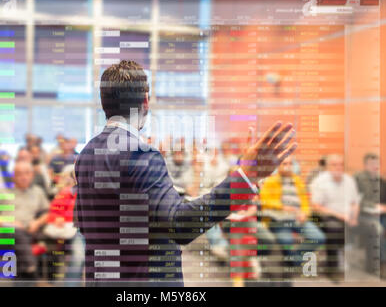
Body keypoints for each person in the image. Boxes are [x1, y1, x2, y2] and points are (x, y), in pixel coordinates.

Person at [74, 60, 297, 286]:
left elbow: (84, 223)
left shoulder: (86, 155)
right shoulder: (141, 155)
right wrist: (246, 177)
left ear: (104, 103)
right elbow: (180, 225)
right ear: (145, 100)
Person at [260, 156, 325, 271]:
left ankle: (295, 259)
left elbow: (305, 201)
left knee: (318, 237)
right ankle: (291, 259)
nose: (287, 166)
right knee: (286, 241)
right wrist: (283, 206)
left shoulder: (297, 180)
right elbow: (264, 199)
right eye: (284, 164)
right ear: (278, 166)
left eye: (290, 164)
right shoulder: (271, 181)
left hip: (297, 218)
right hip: (278, 220)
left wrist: (304, 213)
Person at [0, 161, 49, 278]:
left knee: (21, 242)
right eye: (19, 174)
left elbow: (48, 213)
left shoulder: (38, 192)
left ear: (32, 175)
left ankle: (27, 269)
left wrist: (37, 222)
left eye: (27, 173)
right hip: (3, 234)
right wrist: (8, 224)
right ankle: (30, 266)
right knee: (15, 233)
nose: (23, 177)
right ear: (13, 176)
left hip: (28, 233)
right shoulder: (1, 191)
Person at [311, 154, 360, 280]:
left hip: (348, 216)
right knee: (335, 228)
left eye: (341, 164)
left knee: (369, 225)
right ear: (327, 167)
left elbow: (355, 202)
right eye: (334, 164)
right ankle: (332, 268)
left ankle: (341, 253)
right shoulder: (320, 181)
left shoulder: (349, 180)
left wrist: (354, 217)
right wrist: (339, 215)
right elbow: (316, 206)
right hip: (327, 215)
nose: (338, 167)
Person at [355, 153, 386, 277]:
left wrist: (382, 208)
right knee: (377, 228)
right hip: (362, 215)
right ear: (365, 165)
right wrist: (375, 207)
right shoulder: (357, 178)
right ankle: (382, 263)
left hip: (381, 215)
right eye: (372, 164)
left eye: (377, 164)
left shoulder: (382, 181)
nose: (375, 166)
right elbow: (355, 200)